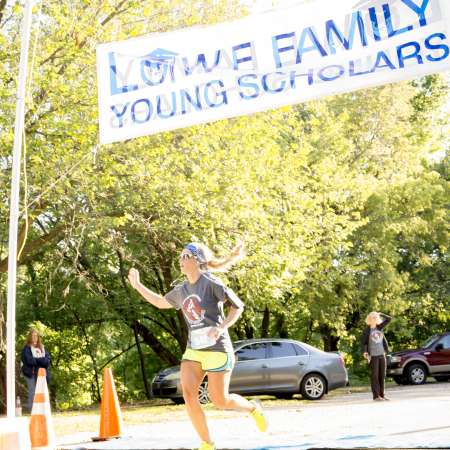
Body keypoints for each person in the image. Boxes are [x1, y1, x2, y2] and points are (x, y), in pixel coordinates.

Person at [128, 242, 267, 450]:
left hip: (218, 350)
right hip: (194, 351)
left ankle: (252, 409)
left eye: (185, 256)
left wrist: (221, 327)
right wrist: (138, 285)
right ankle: (207, 443)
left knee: (220, 401)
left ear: (198, 260)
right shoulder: (182, 290)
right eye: (181, 256)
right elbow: (159, 302)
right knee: (189, 394)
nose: (181, 260)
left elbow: (238, 307)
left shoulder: (211, 283)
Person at [362, 311, 392, 401]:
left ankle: (382, 395)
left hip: (382, 354)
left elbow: (389, 319)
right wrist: (365, 351)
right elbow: (364, 343)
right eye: (372, 318)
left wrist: (381, 314)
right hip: (373, 356)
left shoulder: (380, 327)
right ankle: (376, 396)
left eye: (375, 317)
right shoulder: (367, 330)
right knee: (374, 376)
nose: (374, 319)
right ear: (369, 319)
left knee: (382, 376)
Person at [21, 329, 51, 412]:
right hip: (30, 373)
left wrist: (37, 360)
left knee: (42, 391)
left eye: (36, 336)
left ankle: (41, 410)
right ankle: (32, 410)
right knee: (32, 391)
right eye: (33, 336)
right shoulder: (26, 348)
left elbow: (47, 361)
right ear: (30, 337)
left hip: (41, 373)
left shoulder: (42, 347)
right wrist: (41, 360)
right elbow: (29, 361)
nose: (35, 337)